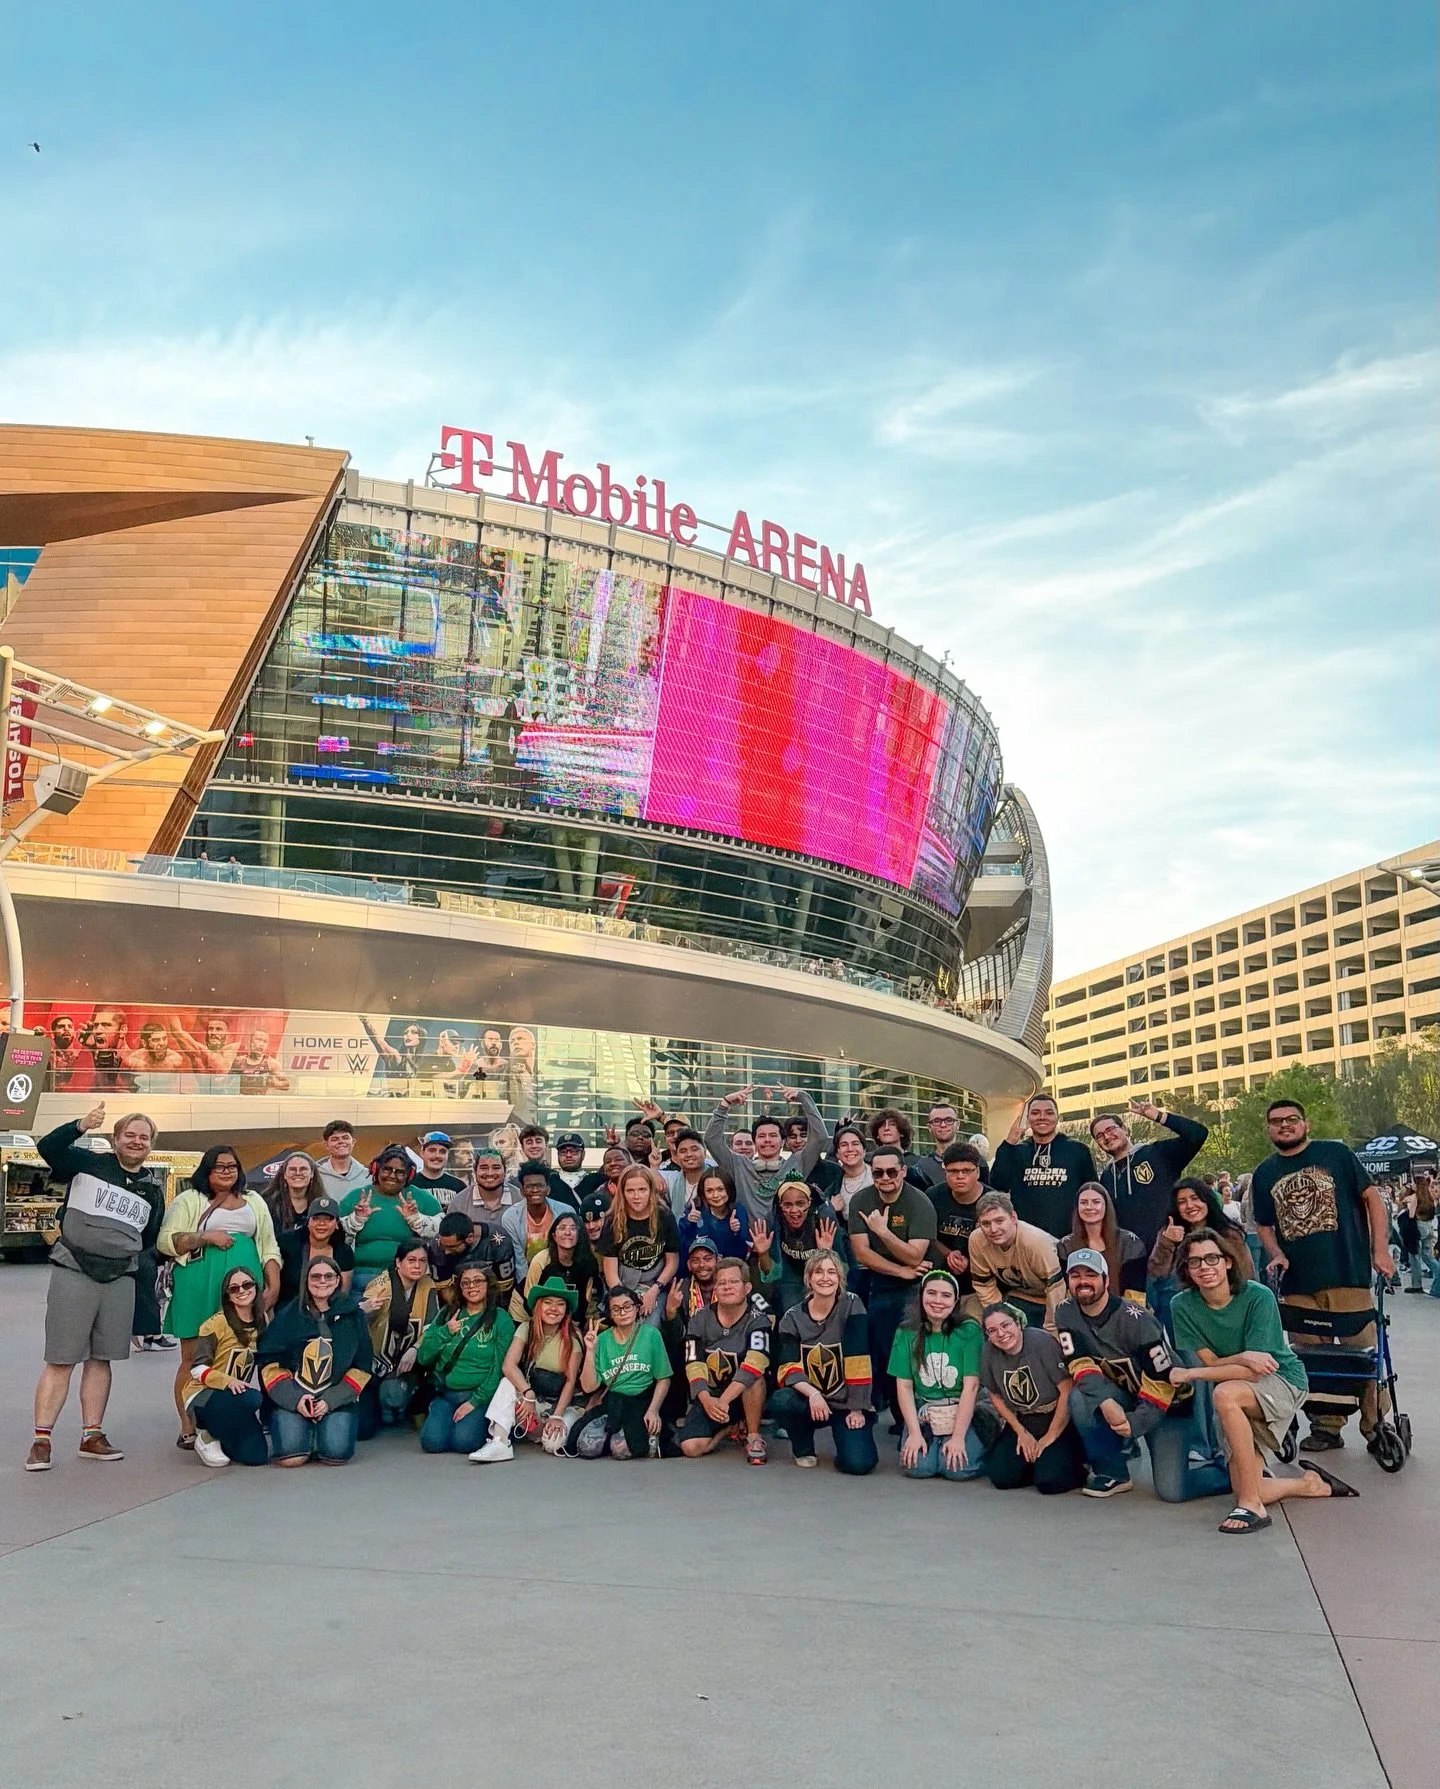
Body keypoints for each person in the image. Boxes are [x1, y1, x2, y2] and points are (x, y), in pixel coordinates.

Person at [1170, 1229, 1340, 1534]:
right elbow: (1214, 1361)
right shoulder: (1181, 1305)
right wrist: (1243, 1357)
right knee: (1252, 1484)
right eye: (1194, 1262)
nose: (1205, 1267)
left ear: (1228, 1262)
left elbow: (1255, 1371)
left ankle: (1252, 1507)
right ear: (1186, 1270)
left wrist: (1190, 1374)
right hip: (1238, 1386)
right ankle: (1307, 1485)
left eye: (1212, 1258)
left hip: (1283, 1379)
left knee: (1223, 1394)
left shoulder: (1257, 1296)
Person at [1251, 1098, 1395, 1455]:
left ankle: (1375, 1425)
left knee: (1360, 1353)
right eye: (1276, 1121)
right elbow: (1265, 1225)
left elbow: (1373, 1200)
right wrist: (1277, 1254)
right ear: (1268, 1128)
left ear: (1306, 1124)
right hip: (1298, 1283)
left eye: (1292, 1119)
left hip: (1346, 1272)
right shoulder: (1265, 1173)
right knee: (1311, 1358)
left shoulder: (1337, 1154)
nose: (1284, 1125)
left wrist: (1380, 1249)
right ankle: (1326, 1427)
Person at [27, 1105, 167, 1470]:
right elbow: (49, 1149)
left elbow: (148, 1237)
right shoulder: (89, 1164)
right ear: (115, 1139)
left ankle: (92, 1434)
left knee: (101, 1359)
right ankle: (42, 1440)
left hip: (119, 1278)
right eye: (130, 1135)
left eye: (144, 1137)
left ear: (151, 1145)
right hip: (74, 1269)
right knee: (60, 1359)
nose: (137, 1142)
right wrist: (80, 1126)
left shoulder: (152, 1188)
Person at [1055, 1248, 1229, 1502]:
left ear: (1105, 1279)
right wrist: (1106, 1402)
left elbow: (1165, 1380)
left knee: (1172, 1491)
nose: (1083, 1281)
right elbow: (1079, 1362)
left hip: (1167, 1404)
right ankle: (1112, 1472)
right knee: (1080, 1398)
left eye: (1091, 1275)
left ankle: (1231, 1471)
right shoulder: (1065, 1311)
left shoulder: (1135, 1319)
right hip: (1124, 1393)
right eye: (1076, 1275)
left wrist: (1136, 1423)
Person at [158, 1144, 281, 1447]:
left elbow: (268, 1245)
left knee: (243, 1352)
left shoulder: (255, 1201)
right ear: (207, 1170)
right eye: (219, 1166)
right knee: (193, 1357)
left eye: (232, 1166)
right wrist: (206, 1236)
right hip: (199, 1283)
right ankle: (188, 1425)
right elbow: (165, 1241)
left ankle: (229, 1417)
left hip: (243, 1288)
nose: (226, 1172)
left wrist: (272, 1285)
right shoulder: (190, 1199)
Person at [847, 1145, 937, 1427]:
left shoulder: (919, 1202)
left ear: (903, 1171)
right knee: (882, 1349)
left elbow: (916, 1255)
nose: (885, 1177)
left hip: (916, 1286)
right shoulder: (861, 1199)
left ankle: (919, 1419)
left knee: (910, 1351)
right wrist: (900, 1270)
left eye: (891, 1171)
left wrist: (883, 1232)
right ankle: (897, 1417)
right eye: (877, 1172)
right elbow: (862, 1253)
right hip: (881, 1280)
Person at [259, 1255, 373, 1466]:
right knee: (291, 1458)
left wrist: (331, 1400)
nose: (322, 1281)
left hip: (336, 1396)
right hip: (295, 1396)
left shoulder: (353, 1315)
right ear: (306, 1281)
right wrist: (295, 1399)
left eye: (329, 1276)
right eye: (316, 1276)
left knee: (335, 1455)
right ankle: (305, 1433)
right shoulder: (288, 1315)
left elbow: (363, 1365)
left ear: (338, 1280)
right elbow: (269, 1364)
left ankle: (319, 1433)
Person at [772, 1249, 876, 1473]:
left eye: (832, 1272)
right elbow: (787, 1368)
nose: (825, 1277)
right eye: (818, 1272)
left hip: (846, 1400)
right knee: (782, 1400)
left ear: (840, 1279)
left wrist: (856, 1408)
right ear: (809, 1278)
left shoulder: (852, 1305)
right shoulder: (791, 1318)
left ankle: (846, 1440)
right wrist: (814, 1394)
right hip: (810, 1399)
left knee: (859, 1464)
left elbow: (858, 1360)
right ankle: (803, 1447)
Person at [978, 1303, 1086, 1494]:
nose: (1001, 1334)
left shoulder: (1042, 1342)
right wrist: (1021, 1432)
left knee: (1050, 1483)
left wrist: (1050, 1436)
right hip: (1024, 1417)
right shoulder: (989, 1352)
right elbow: (994, 1394)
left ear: (1018, 1323)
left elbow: (1066, 1389)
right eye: (992, 1330)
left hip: (1055, 1415)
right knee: (1001, 1477)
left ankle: (1074, 1464)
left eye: (1006, 1325)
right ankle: (1038, 1464)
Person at [890, 1270, 987, 1481]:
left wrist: (958, 1437)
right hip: (926, 1407)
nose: (937, 1301)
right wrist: (914, 1434)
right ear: (921, 1296)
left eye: (945, 1295)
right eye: (931, 1293)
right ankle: (930, 1441)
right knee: (918, 1468)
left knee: (957, 1469)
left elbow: (971, 1386)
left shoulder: (969, 1331)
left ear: (955, 1301)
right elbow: (904, 1386)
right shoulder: (906, 1331)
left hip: (962, 1406)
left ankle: (980, 1447)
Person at [677, 1258, 773, 1464]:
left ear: (747, 1288)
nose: (727, 1287)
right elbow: (693, 1363)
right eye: (721, 1283)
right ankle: (728, 1426)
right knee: (690, 1448)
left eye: (734, 1282)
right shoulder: (700, 1318)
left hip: (742, 1394)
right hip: (711, 1394)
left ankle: (754, 1436)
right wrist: (706, 1400)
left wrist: (723, 1402)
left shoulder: (758, 1319)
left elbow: (755, 1364)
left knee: (754, 1378)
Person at [416, 1263, 516, 1457]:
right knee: (431, 1443)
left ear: (489, 1284)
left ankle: (481, 1420)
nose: (472, 1287)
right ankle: (437, 1411)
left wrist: (475, 1401)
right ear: (459, 1288)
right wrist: (445, 1332)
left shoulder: (501, 1319)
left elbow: (499, 1368)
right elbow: (423, 1357)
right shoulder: (447, 1314)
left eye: (478, 1281)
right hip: (445, 1393)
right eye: (466, 1283)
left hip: (477, 1395)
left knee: (464, 1442)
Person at [1089, 1099, 1209, 1253]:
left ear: (1125, 1129)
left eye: (1111, 1129)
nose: (1107, 1136)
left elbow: (1198, 1134)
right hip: (1130, 1257)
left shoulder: (1158, 1153)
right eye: (1099, 1136)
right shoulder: (1106, 1176)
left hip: (1169, 1251)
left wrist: (1159, 1116)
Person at [484, 1276, 586, 1457]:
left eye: (560, 1304)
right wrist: (527, 1393)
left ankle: (541, 1432)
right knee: (507, 1383)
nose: (554, 1309)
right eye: (548, 1302)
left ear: (566, 1310)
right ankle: (499, 1442)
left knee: (553, 1445)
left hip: (561, 1404)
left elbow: (571, 1381)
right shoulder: (527, 1328)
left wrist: (557, 1416)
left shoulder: (573, 1336)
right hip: (533, 1399)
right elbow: (509, 1365)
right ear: (539, 1306)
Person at [181, 1265, 270, 1468]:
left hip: (235, 1399)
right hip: (204, 1394)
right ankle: (207, 1435)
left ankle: (223, 1434)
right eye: (234, 1288)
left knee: (257, 1456)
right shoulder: (215, 1324)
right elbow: (197, 1369)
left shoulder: (262, 1320)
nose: (242, 1291)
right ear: (227, 1295)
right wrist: (227, 1381)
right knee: (253, 1398)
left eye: (247, 1285)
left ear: (256, 1287)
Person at [575, 1286, 673, 1459]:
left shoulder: (651, 1334)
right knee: (586, 1448)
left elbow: (664, 1378)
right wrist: (590, 1351)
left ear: (637, 1307)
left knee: (621, 1450)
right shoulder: (602, 1340)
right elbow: (589, 1387)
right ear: (611, 1314)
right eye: (616, 1309)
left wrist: (653, 1410)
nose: (623, 1312)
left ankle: (627, 1436)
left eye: (628, 1306)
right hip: (614, 1402)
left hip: (642, 1400)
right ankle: (613, 1432)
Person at [705, 1083, 826, 1218]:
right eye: (761, 1136)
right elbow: (711, 1140)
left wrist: (804, 1098)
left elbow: (820, 1137)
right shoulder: (739, 1165)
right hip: (747, 1238)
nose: (767, 1140)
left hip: (784, 1237)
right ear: (755, 1142)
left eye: (773, 1135)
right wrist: (725, 1104)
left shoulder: (798, 1162)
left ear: (783, 1142)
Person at [357, 1239, 437, 1432]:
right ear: (398, 1263)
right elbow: (361, 1315)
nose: (417, 1266)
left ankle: (407, 1401)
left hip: (410, 1358)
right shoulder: (381, 1284)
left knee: (396, 1394)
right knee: (364, 1429)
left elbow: (432, 1325)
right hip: (376, 1362)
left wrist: (415, 1349)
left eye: (422, 1261)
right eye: (411, 1260)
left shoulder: (427, 1284)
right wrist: (365, 1310)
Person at [990, 1095, 1095, 1238]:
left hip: (1069, 1238)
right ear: (1027, 1118)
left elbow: (1093, 1191)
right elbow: (998, 1185)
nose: (1042, 1117)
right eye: (1035, 1113)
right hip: (1025, 1238)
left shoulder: (1078, 1150)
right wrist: (1009, 1142)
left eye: (1049, 1113)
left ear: (1058, 1117)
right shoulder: (1016, 1151)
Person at [338, 1145, 443, 1284]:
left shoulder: (422, 1197)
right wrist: (356, 1220)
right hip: (360, 1275)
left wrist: (417, 1219)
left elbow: (442, 1231)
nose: (392, 1176)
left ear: (409, 1175)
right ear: (375, 1170)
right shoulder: (356, 1197)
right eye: (387, 1169)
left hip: (407, 1276)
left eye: (399, 1172)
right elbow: (335, 1236)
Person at [597, 1164, 681, 1327]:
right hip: (622, 1285)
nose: (637, 1196)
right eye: (630, 1191)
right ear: (623, 1192)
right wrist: (628, 1301)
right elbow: (610, 1272)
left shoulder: (664, 1216)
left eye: (642, 1190)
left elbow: (672, 1262)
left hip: (655, 1284)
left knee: (652, 1325)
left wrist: (654, 1291)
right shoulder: (612, 1220)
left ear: (651, 1191)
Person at [967, 1192, 1064, 1329]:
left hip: (1056, 1297)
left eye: (999, 1221)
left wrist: (1051, 1327)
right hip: (1019, 1296)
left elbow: (1056, 1289)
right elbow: (983, 1284)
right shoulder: (976, 1240)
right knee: (972, 1314)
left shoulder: (1034, 1242)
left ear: (1013, 1218)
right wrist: (999, 1316)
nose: (993, 1229)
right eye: (986, 1223)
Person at [751, 1177, 841, 1316]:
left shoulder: (824, 1219)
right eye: (788, 1205)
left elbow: (841, 1270)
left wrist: (825, 1252)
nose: (794, 1210)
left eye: (800, 1204)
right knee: (790, 1311)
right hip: (790, 1275)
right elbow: (769, 1273)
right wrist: (763, 1253)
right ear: (780, 1206)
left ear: (809, 1203)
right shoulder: (773, 1221)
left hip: (819, 1273)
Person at [1056, 1182, 1147, 1302]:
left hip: (1121, 1313)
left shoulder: (1130, 1244)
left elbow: (1136, 1296)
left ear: (1106, 1206)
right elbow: (1066, 1293)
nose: (1089, 1207)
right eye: (1083, 1202)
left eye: (1096, 1202)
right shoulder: (1066, 1246)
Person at [925, 1142, 987, 1313]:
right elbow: (926, 1234)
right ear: (945, 1172)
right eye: (953, 1171)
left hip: (980, 1283)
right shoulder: (933, 1196)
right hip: (938, 1277)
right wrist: (948, 1253)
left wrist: (971, 1260)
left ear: (978, 1172)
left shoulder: (991, 1200)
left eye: (966, 1171)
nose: (960, 1176)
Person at [519, 1209, 604, 1324]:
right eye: (562, 1228)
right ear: (554, 1236)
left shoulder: (588, 1262)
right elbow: (529, 1299)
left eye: (573, 1228)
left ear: (581, 1235)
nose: (567, 1233)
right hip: (532, 1316)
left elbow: (584, 1302)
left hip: (572, 1322)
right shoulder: (541, 1260)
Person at [501, 1163, 573, 1285]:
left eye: (540, 1185)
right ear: (522, 1191)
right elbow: (519, 1260)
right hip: (527, 1275)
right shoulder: (511, 1217)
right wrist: (527, 1289)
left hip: (560, 1275)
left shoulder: (566, 1212)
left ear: (548, 1189)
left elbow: (570, 1251)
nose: (535, 1190)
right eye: (529, 1186)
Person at [277, 1196, 355, 1304]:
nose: (321, 1224)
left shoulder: (344, 1251)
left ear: (337, 1224)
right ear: (308, 1222)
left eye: (328, 1219)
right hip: (288, 1310)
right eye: (316, 1218)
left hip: (328, 1311)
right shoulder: (287, 1243)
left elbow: (342, 1295)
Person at [678, 1166, 752, 1261]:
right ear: (703, 1192)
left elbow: (742, 1255)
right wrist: (689, 1224)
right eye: (709, 1191)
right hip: (700, 1271)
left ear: (729, 1189)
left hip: (728, 1270)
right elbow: (683, 1252)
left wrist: (736, 1233)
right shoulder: (694, 1211)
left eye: (720, 1189)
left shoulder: (738, 1210)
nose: (715, 1195)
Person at [508, 1124, 579, 1209]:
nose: (534, 1146)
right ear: (522, 1147)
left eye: (538, 1141)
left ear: (546, 1146)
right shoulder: (514, 1183)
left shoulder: (559, 1179)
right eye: (529, 1142)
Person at [810, 1122, 872, 1214]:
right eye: (844, 1145)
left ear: (864, 1150)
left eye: (855, 1144)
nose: (850, 1149)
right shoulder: (833, 1182)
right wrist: (830, 1208)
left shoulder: (879, 1175)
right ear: (837, 1154)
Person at [448, 1144, 513, 1231]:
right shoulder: (459, 1203)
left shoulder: (520, 1198)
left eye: (496, 1168)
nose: (490, 1173)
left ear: (505, 1171)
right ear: (475, 1171)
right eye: (484, 1168)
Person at [907, 1103, 963, 1190]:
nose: (943, 1125)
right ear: (929, 1127)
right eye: (937, 1121)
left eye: (949, 1120)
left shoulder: (975, 1161)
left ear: (958, 1125)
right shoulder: (921, 1167)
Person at [265, 1152, 324, 1232]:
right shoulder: (268, 1204)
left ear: (312, 1173)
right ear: (285, 1174)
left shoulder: (322, 1203)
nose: (298, 1173)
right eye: (292, 1169)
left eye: (303, 1169)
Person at [660, 1127, 712, 1216]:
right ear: (677, 1155)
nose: (689, 1154)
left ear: (704, 1152)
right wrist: (654, 1166)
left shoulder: (717, 1176)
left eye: (694, 1149)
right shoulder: (671, 1179)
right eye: (683, 1151)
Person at [315, 1120, 370, 1202]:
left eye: (345, 1138)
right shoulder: (316, 1176)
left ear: (353, 1142)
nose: (341, 1142)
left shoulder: (368, 1176)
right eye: (335, 1139)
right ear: (326, 1145)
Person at [426, 1211, 478, 1295]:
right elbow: (445, 1289)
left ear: (470, 1238)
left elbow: (502, 1289)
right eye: (443, 1246)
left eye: (452, 1247)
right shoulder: (435, 1249)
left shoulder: (496, 1243)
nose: (446, 1252)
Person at [412, 1130, 465, 1201]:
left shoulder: (459, 1187)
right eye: (432, 1150)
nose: (437, 1155)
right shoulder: (410, 1184)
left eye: (443, 1151)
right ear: (422, 1153)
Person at [553, 1131, 588, 1198]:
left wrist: (613, 1146)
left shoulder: (596, 1181)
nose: (568, 1155)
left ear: (583, 1154)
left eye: (574, 1151)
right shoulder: (550, 1181)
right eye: (563, 1152)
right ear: (558, 1155)